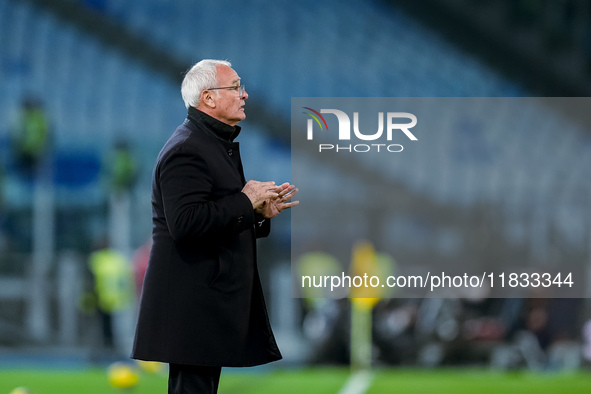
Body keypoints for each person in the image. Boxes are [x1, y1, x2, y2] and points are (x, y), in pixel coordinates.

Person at [131, 59, 298, 393]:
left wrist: (258, 213)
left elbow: (216, 215)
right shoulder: (187, 150)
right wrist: (245, 201)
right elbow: (185, 223)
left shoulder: (208, 144)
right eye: (236, 87)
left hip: (203, 299)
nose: (245, 94)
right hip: (191, 301)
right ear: (208, 98)